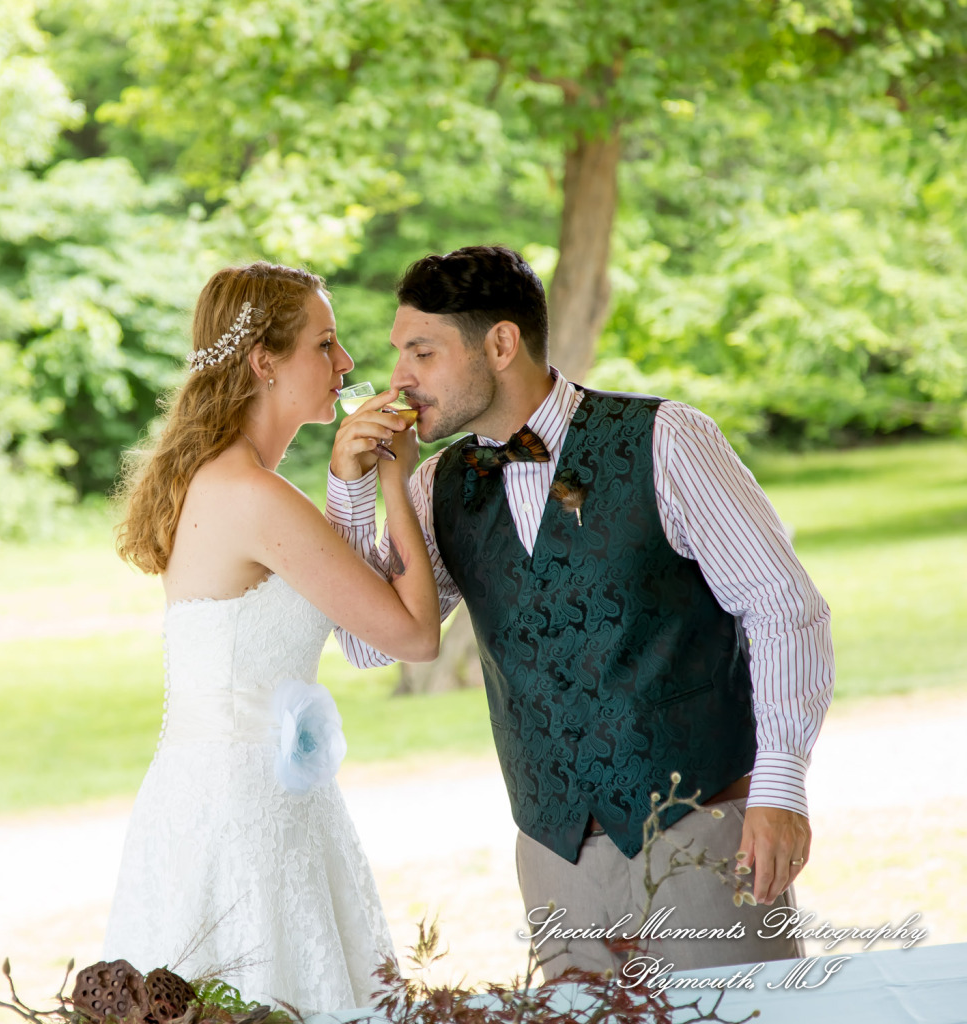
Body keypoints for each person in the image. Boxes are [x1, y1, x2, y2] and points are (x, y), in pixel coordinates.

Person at [327, 245, 835, 977]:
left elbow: (784, 608)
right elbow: (373, 644)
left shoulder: (668, 440)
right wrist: (352, 492)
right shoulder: (438, 484)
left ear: (501, 343)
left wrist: (782, 785)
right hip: (552, 854)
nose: (401, 376)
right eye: (399, 351)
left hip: (701, 829)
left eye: (422, 351)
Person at [105, 261, 439, 1012]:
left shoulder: (223, 481)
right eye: (325, 344)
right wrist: (397, 477)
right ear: (264, 361)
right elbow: (412, 635)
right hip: (247, 819)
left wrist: (347, 480)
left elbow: (355, 627)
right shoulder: (254, 496)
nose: (347, 364)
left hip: (214, 797)